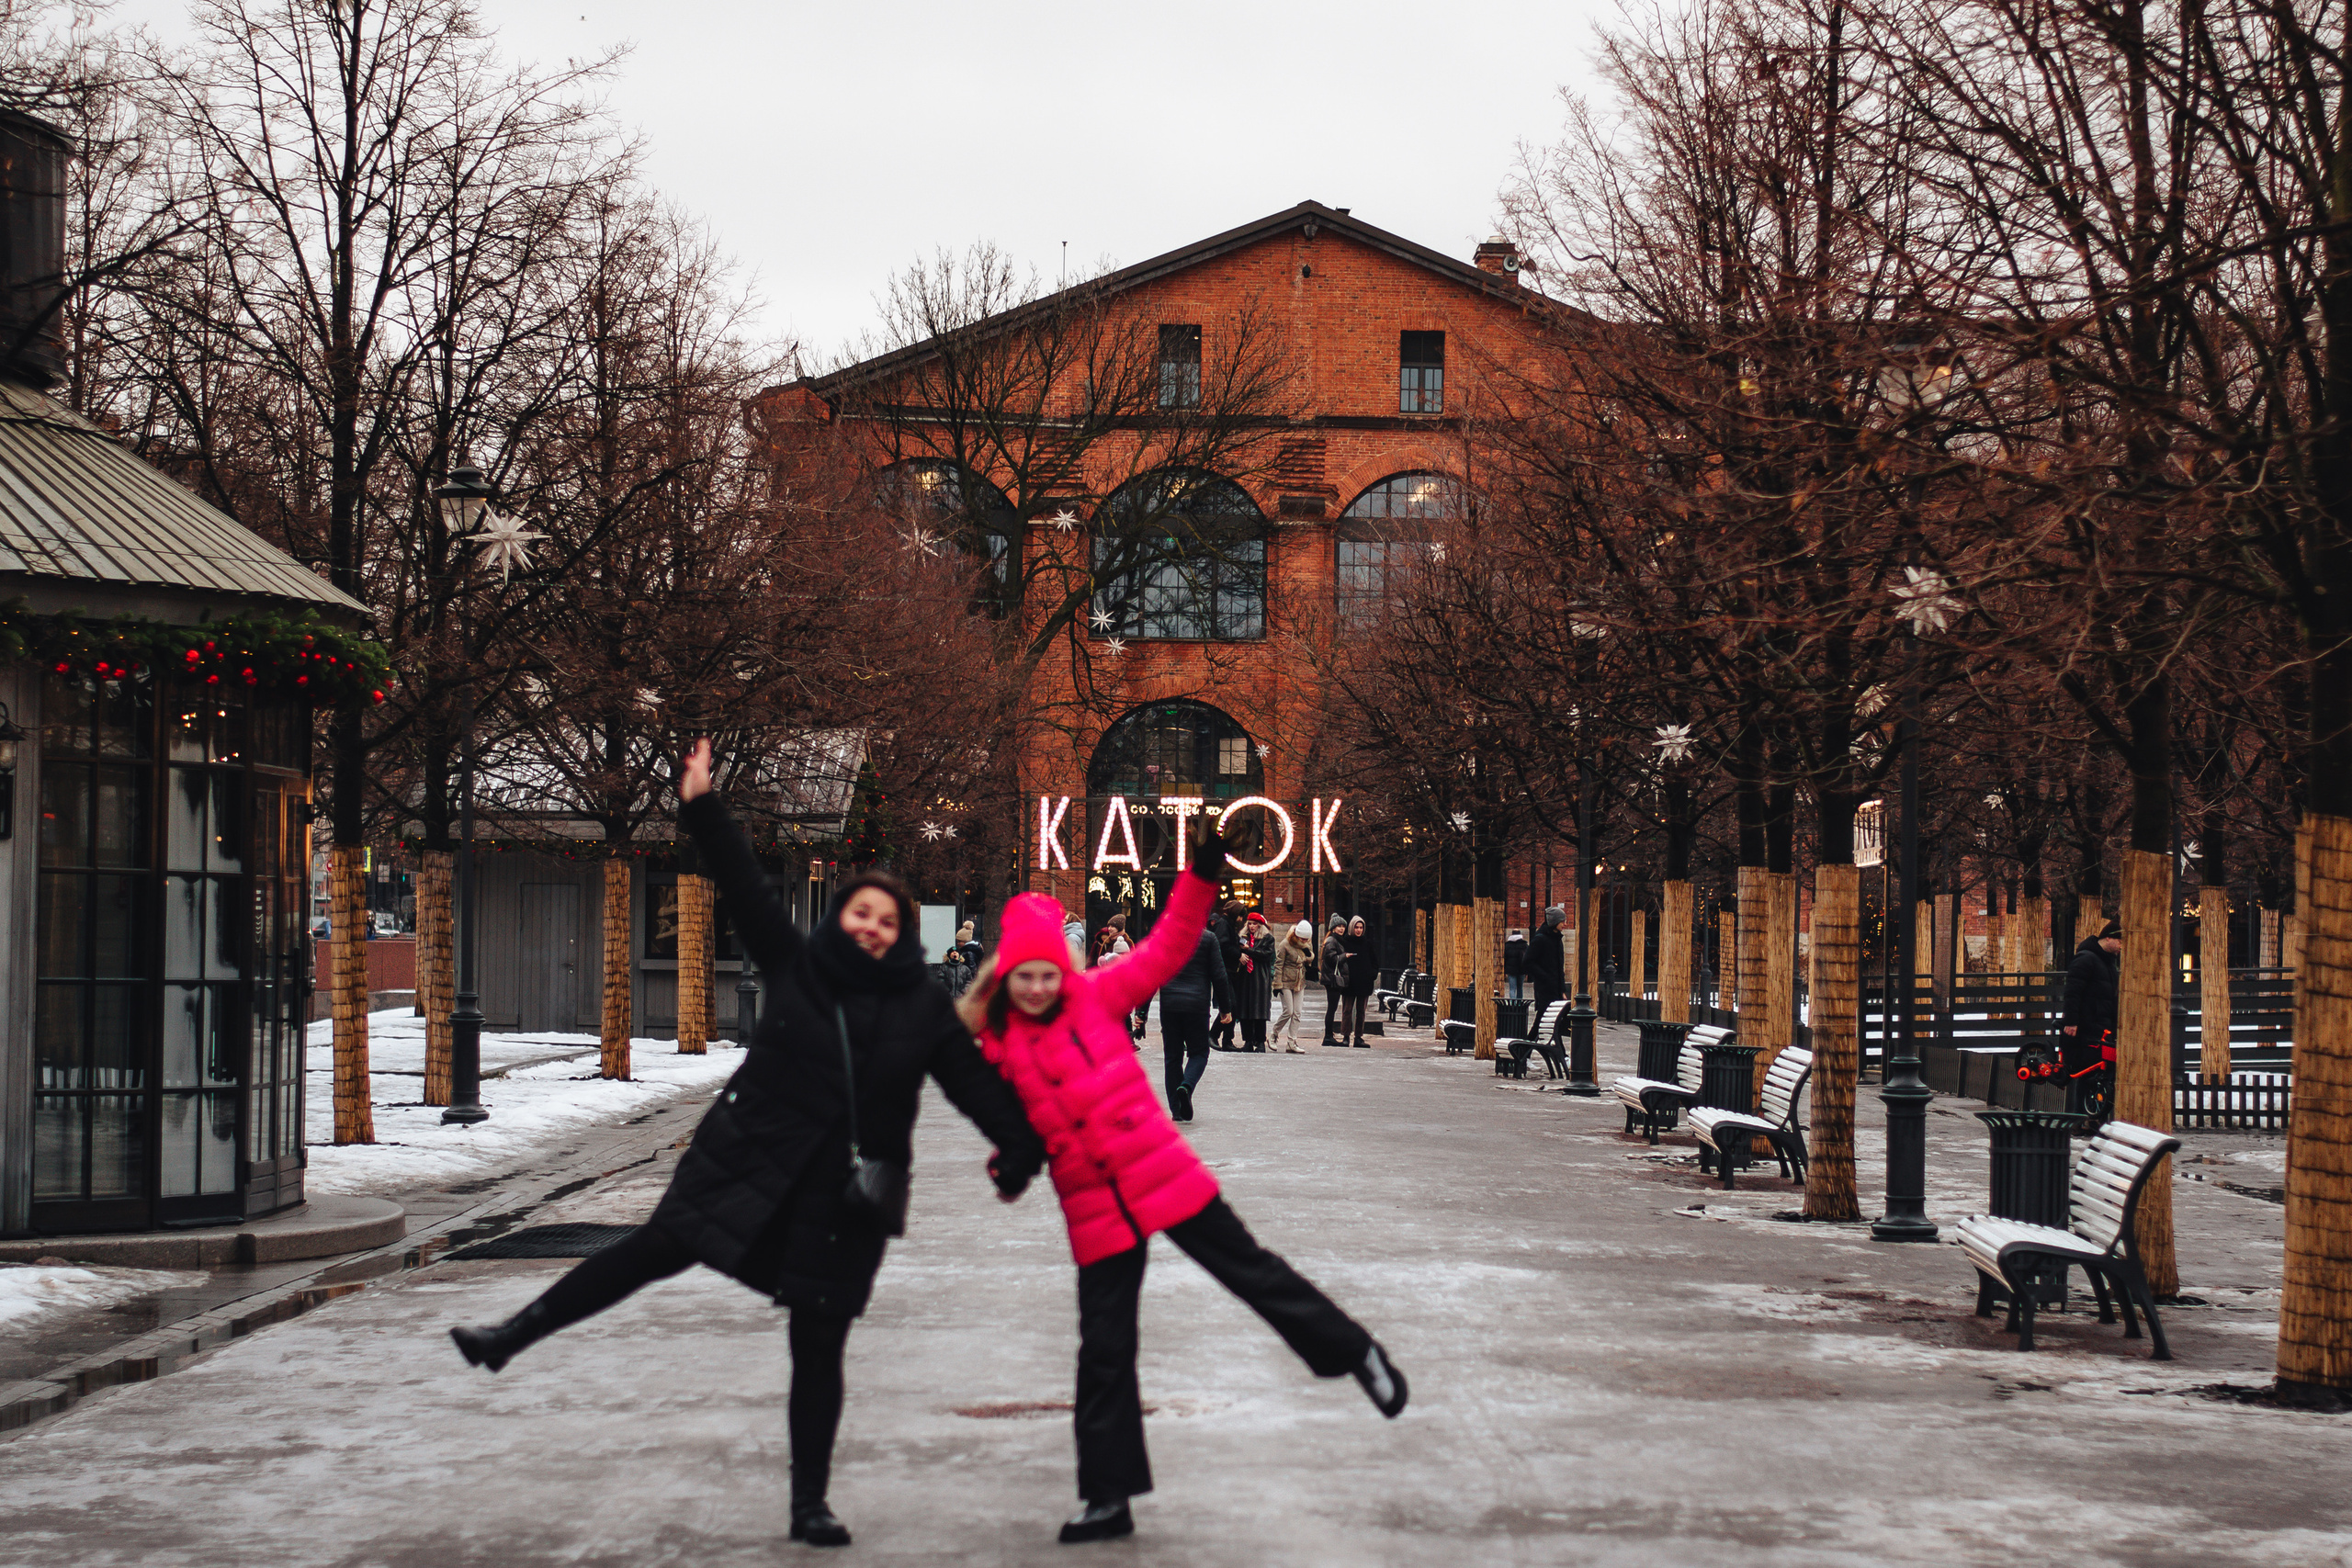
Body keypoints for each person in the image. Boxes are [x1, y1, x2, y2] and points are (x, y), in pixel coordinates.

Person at [446, 739, 1044, 1551]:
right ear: (841, 919)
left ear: (903, 936)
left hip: (843, 1197)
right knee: (651, 1248)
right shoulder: (799, 967)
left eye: (886, 920)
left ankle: (810, 1503)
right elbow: (743, 882)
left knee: (818, 1343)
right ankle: (508, 1335)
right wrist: (699, 802)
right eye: (860, 913)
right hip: (749, 1157)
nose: (870, 928)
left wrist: (1017, 1148)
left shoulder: (921, 1010)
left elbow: (974, 1086)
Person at [956, 812, 1408, 1546]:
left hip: (1160, 1172)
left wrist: (1201, 873)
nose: (1038, 986)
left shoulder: (1098, 996)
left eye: (1048, 973)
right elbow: (1012, 1129)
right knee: (1103, 1349)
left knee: (1251, 1273)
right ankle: (1107, 1497)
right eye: (1024, 976)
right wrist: (1008, 1164)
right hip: (1094, 1206)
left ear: (1064, 971)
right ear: (1006, 976)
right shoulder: (998, 1047)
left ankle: (1355, 1351)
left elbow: (1167, 947)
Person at [1153, 903, 1233, 1119]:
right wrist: (1225, 1009)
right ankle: (1186, 1087)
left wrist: (1141, 1013)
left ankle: (1177, 1111)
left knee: (1172, 1057)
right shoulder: (1208, 938)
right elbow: (1219, 975)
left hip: (1169, 1005)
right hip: (1197, 1006)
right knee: (1199, 1053)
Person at [2061, 920, 2122, 1114]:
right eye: (2121, 940)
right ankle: (2081, 1118)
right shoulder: (2086, 959)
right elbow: (2072, 991)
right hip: (2087, 1028)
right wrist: (2071, 1021)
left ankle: (2093, 1117)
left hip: (2102, 1028)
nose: (2123, 945)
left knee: (2101, 1073)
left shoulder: (2107, 962)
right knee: (2087, 1072)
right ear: (2109, 937)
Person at [1230, 910, 1275, 1052]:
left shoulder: (1267, 939)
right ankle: (1248, 1041)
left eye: (1254, 924)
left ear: (1260, 925)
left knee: (1259, 1011)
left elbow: (1266, 955)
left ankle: (1260, 1041)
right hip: (1244, 978)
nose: (1251, 926)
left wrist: (1248, 950)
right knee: (1245, 1010)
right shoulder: (1242, 938)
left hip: (1260, 978)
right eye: (1249, 924)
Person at [1272, 920, 1313, 1052]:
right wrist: (1277, 984)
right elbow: (1278, 964)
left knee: (1297, 1013)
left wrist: (1308, 956)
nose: (1305, 940)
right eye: (1302, 938)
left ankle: (1291, 1041)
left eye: (1307, 939)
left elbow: (1308, 959)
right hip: (1285, 981)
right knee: (1288, 1011)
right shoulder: (1285, 944)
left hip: (1299, 981)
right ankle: (1274, 1034)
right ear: (1296, 935)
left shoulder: (1306, 944)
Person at [1339, 915, 1378, 1047]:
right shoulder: (1345, 942)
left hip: (1364, 983)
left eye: (1361, 927)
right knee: (1347, 1010)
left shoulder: (1367, 943)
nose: (1359, 930)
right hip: (1349, 982)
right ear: (1352, 928)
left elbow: (1374, 961)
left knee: (1361, 1011)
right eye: (1356, 927)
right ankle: (1345, 1036)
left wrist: (1372, 974)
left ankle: (1358, 1037)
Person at [1211, 900, 1246, 1051]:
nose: (1240, 920)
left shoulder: (1227, 925)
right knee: (1230, 1005)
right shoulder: (1223, 924)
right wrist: (1238, 954)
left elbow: (1230, 941)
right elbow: (1222, 945)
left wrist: (1240, 943)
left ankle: (1227, 1040)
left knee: (1233, 1006)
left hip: (1230, 970)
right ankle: (1213, 1034)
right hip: (1225, 970)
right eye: (1240, 916)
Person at [1528, 906, 1566, 1017]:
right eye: (1562, 921)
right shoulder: (1540, 939)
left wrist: (1562, 990)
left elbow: (1560, 967)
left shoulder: (1558, 940)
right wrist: (1545, 976)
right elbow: (1528, 962)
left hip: (1556, 989)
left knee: (1550, 1022)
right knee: (1543, 1020)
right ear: (1555, 922)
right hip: (1545, 989)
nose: (1565, 924)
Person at [1319, 916, 1350, 1045]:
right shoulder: (1332, 940)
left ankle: (1328, 1035)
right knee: (1331, 1008)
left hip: (1331, 978)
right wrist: (1344, 956)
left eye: (1343, 926)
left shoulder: (1336, 940)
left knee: (1332, 1007)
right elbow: (1331, 958)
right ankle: (1328, 1036)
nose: (1342, 928)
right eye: (1339, 926)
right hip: (1332, 979)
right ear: (1333, 928)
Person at [1503, 928, 1529, 1001]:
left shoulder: (1507, 945)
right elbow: (1527, 958)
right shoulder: (1524, 944)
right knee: (1520, 987)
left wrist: (1505, 970)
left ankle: (1513, 1005)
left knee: (1512, 988)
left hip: (1511, 970)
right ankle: (1519, 1004)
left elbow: (1505, 958)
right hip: (1522, 969)